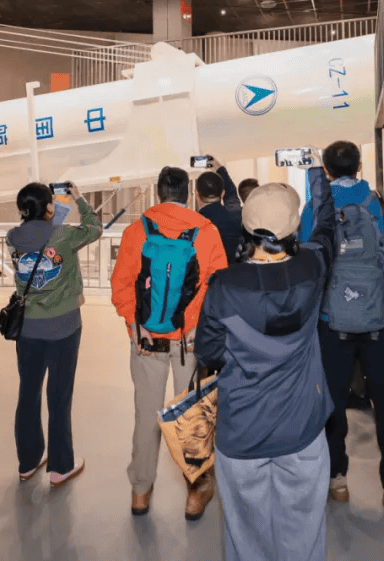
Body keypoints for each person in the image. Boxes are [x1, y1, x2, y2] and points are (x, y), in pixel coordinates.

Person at [195, 166, 335, 561]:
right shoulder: (313, 269)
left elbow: (209, 354)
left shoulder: (224, 285)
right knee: (305, 532)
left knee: (245, 536)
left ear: (246, 226)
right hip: (302, 428)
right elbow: (327, 230)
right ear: (294, 228)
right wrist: (318, 175)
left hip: (242, 429)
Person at [299, 140, 384, 511]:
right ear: (360, 166)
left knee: (331, 401)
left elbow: (307, 258)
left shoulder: (316, 207)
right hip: (381, 319)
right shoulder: (382, 203)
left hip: (331, 320)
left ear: (326, 170)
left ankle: (337, 479)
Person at [110, 166, 228, 519]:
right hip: (189, 343)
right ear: (189, 193)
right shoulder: (206, 231)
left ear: (158, 192)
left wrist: (134, 325)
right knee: (192, 417)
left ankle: (140, 491)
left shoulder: (137, 230)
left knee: (146, 417)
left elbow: (121, 284)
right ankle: (195, 492)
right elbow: (218, 287)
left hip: (147, 342)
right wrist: (198, 328)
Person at [6, 182, 103, 487]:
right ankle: (60, 466)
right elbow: (94, 228)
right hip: (64, 328)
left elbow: (41, 237)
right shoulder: (63, 236)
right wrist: (78, 198)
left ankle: (27, 462)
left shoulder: (12, 237)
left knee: (28, 393)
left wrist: (48, 214)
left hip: (28, 328)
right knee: (59, 397)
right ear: (49, 207)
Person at [195, 157, 243, 263]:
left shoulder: (193, 225)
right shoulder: (237, 217)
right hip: (237, 271)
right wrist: (220, 169)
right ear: (222, 194)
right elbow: (232, 197)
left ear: (196, 195)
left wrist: (220, 169)